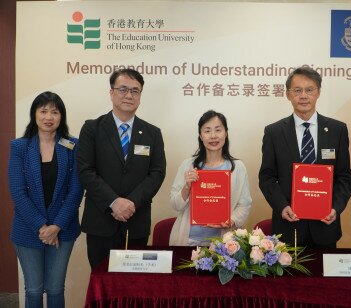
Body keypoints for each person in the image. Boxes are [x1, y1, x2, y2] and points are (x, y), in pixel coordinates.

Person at [77, 68, 166, 269]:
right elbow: (85, 171)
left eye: (135, 91)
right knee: (102, 287)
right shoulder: (92, 128)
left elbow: (157, 173)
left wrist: (131, 203)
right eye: (123, 89)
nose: (129, 95)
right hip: (101, 221)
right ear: (111, 93)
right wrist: (114, 202)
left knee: (133, 289)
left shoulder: (152, 133)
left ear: (140, 96)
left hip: (136, 222)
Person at [259, 66, 351, 248]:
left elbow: (344, 176)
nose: (303, 96)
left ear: (318, 93)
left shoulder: (337, 130)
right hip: (288, 226)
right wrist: (282, 207)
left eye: (309, 90)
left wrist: (335, 208)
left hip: (326, 226)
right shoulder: (274, 132)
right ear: (288, 94)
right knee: (290, 277)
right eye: (297, 90)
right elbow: (267, 177)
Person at [8, 91, 83, 307]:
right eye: (43, 111)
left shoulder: (72, 146)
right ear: (34, 114)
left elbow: (75, 191)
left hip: (64, 229)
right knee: (33, 290)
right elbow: (18, 192)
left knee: (55, 289)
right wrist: (42, 227)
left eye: (54, 112)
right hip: (28, 229)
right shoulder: (20, 147)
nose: (48, 117)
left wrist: (56, 226)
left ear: (61, 116)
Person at [169, 110, 252, 246]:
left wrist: (231, 220)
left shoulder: (237, 167)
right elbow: (175, 204)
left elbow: (245, 204)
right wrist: (187, 187)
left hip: (223, 244)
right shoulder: (188, 165)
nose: (213, 136)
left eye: (218, 130)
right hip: (188, 240)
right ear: (200, 136)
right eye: (207, 131)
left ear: (226, 133)